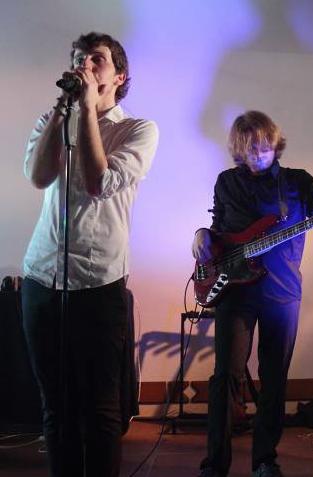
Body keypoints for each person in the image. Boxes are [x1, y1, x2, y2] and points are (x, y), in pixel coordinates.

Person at [192, 110, 313, 477]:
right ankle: (215, 464)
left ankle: (264, 461)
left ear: (275, 144)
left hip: (281, 291)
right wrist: (201, 234)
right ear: (239, 150)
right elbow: (220, 229)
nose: (258, 153)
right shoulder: (227, 181)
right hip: (234, 291)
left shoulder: (298, 182)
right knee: (226, 375)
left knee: (274, 378)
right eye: (249, 148)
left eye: (263, 146)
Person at [22, 32, 158, 477]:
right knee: (55, 408)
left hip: (98, 285)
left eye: (95, 59)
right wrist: (66, 112)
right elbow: (39, 177)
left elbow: (100, 182)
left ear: (119, 77)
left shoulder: (138, 130)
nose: (83, 64)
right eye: (79, 57)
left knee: (101, 413)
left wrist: (86, 111)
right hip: (43, 280)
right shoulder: (54, 118)